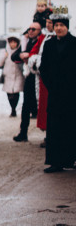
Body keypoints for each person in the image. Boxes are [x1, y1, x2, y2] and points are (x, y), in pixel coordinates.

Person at [40, 10, 75, 172]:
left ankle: (72, 159)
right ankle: (56, 161)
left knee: (72, 126)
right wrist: (51, 85)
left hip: (72, 92)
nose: (59, 28)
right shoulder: (49, 44)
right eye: (56, 25)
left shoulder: (74, 43)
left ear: (67, 27)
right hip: (55, 92)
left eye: (62, 25)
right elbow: (44, 68)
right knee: (55, 127)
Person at [13, 21, 44, 142]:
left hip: (40, 77)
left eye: (33, 29)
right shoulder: (26, 43)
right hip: (29, 77)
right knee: (26, 106)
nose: (30, 31)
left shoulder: (41, 42)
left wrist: (30, 57)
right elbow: (14, 56)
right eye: (29, 29)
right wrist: (22, 54)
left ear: (39, 31)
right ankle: (23, 132)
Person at [0, 36, 24, 117]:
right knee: (9, 94)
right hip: (7, 76)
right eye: (11, 42)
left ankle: (14, 109)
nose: (13, 44)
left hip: (18, 75)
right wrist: (4, 56)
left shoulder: (20, 51)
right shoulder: (5, 51)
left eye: (14, 42)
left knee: (16, 93)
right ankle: (12, 108)